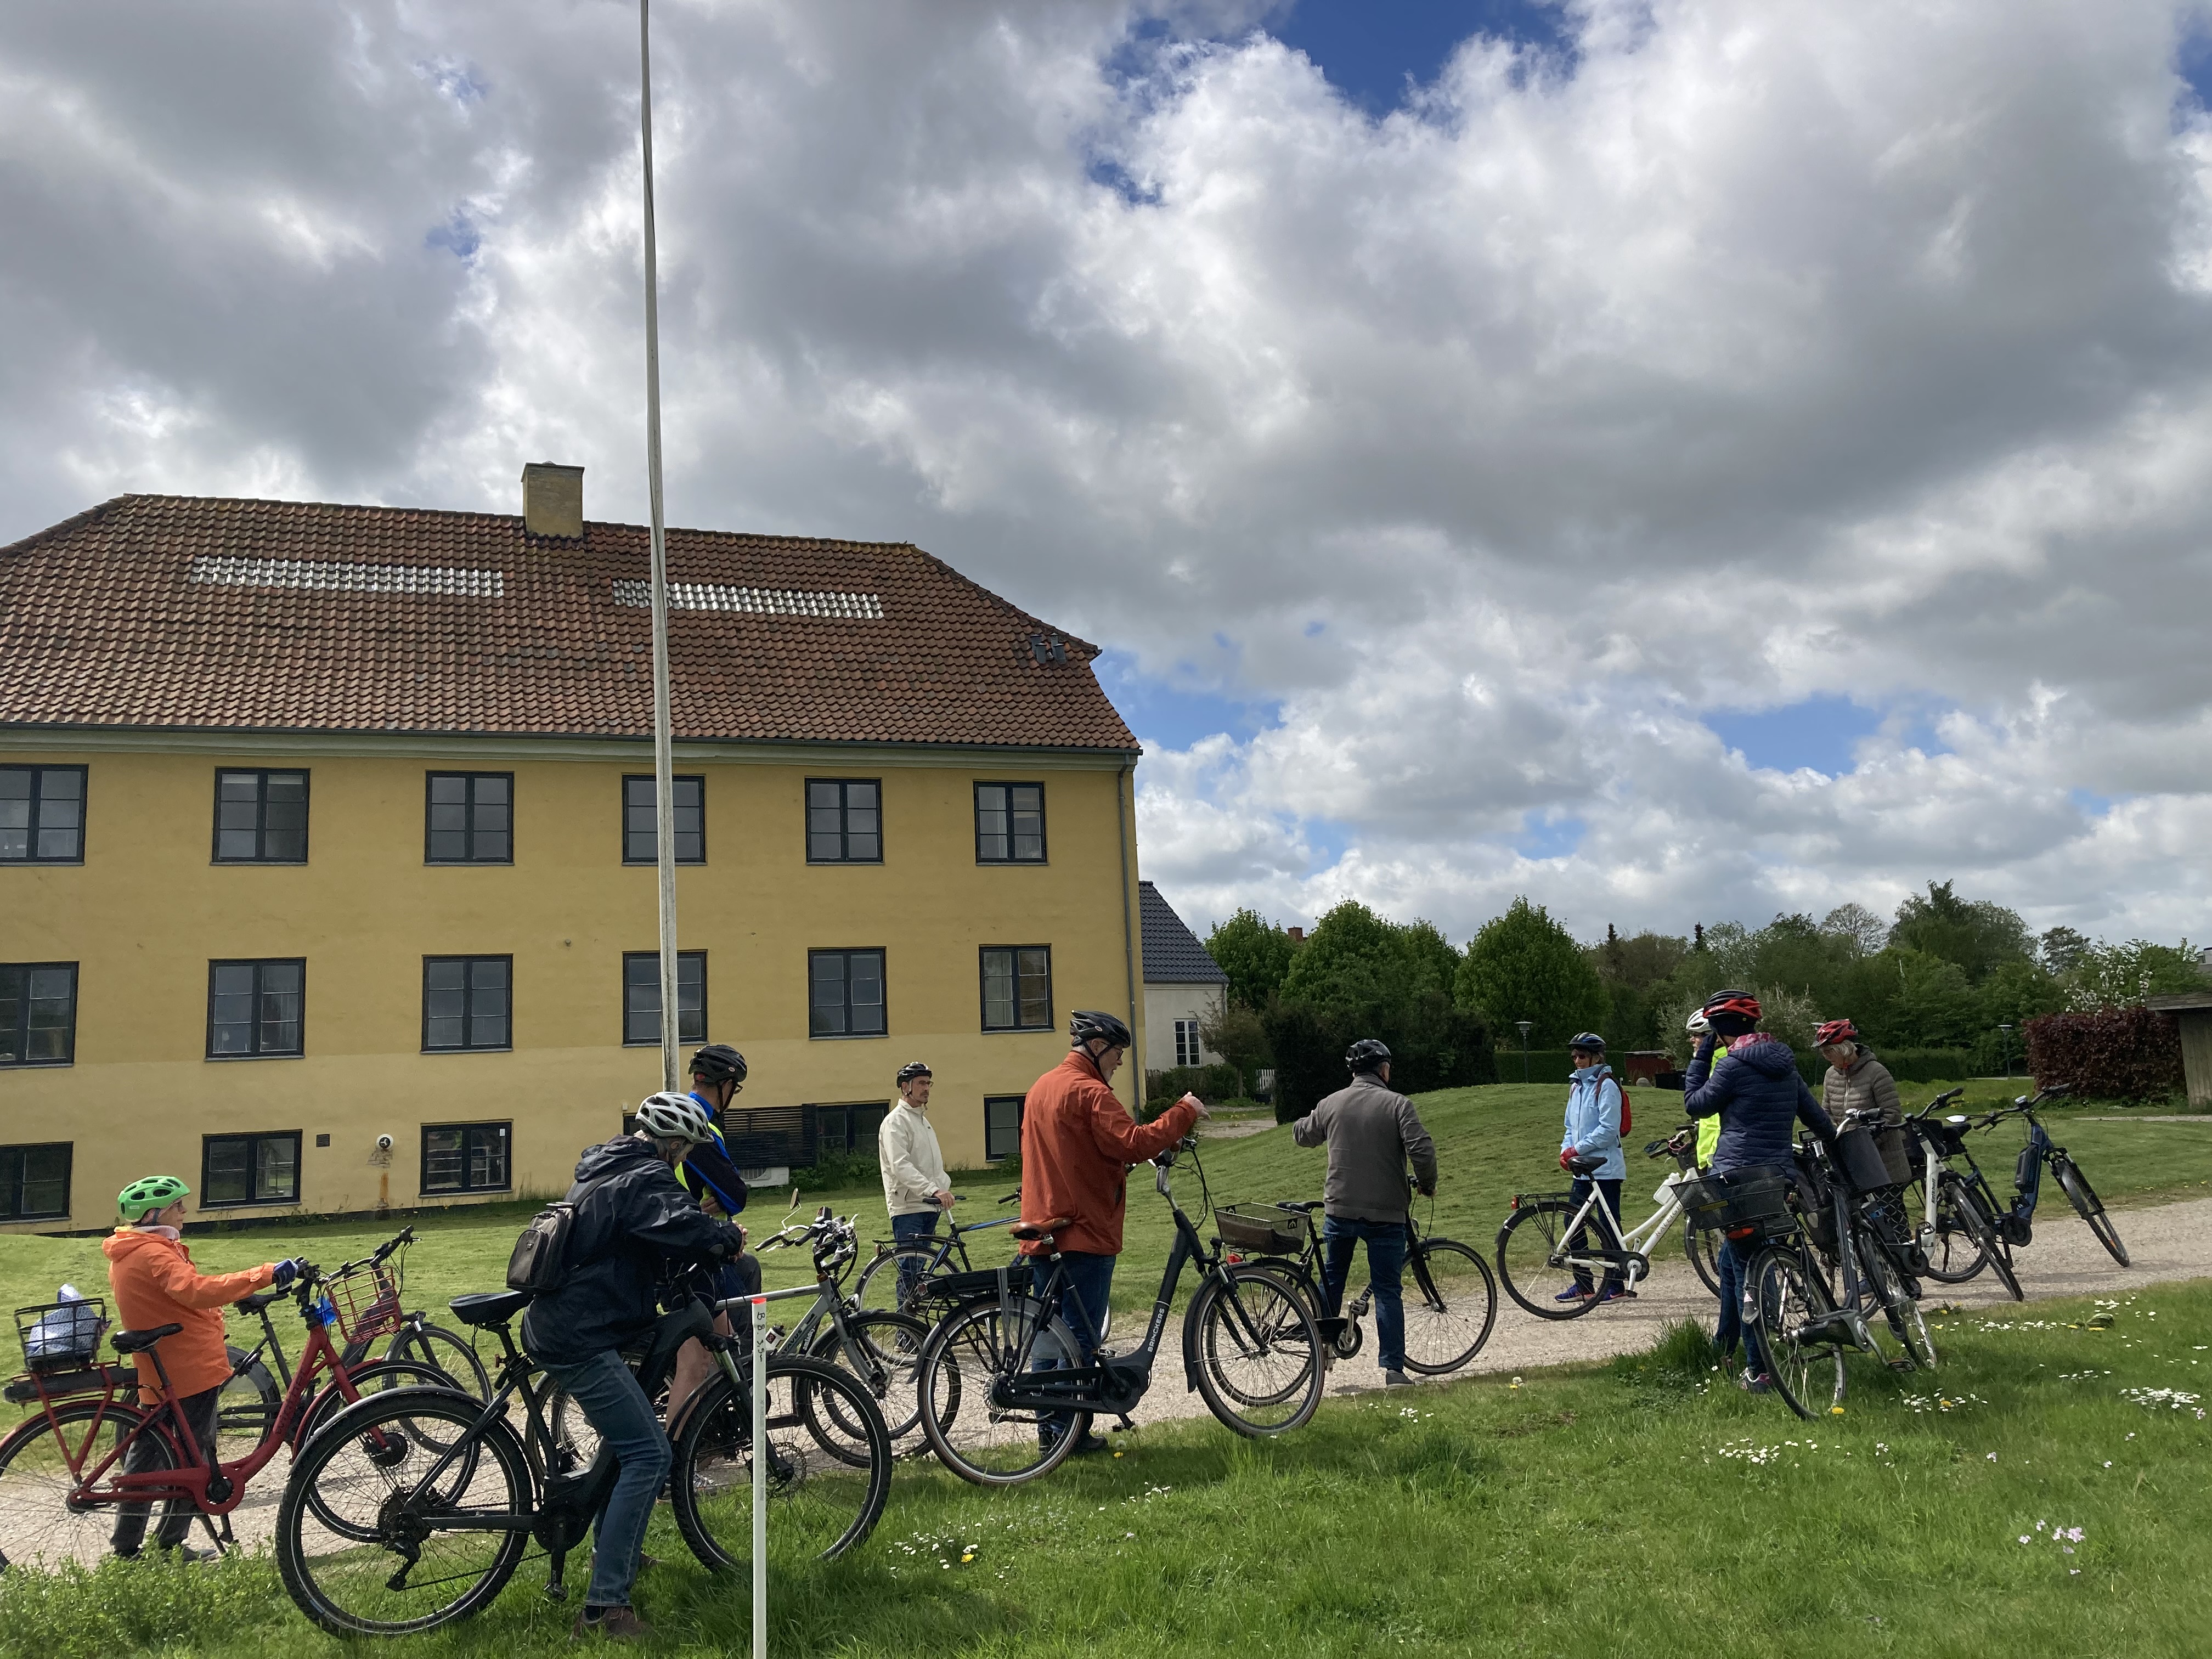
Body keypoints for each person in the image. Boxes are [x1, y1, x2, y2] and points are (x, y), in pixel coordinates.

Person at [521, 1093, 744, 1641]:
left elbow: (645, 1236)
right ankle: (604, 1611)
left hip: (576, 1323)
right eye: (686, 1150)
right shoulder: (646, 1178)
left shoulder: (608, 1167)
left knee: (626, 1446)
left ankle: (614, 1555)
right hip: (581, 1334)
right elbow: (685, 1226)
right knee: (650, 1453)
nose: (684, 1158)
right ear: (673, 1143)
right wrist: (727, 1238)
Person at [1018, 1011, 1205, 1454]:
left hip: (1044, 1228)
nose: (1120, 1062)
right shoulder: (1090, 1092)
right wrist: (1185, 1111)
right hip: (1083, 1230)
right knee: (1080, 1338)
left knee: (1049, 1336)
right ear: (1098, 1047)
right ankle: (1070, 1436)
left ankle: (1050, 1434)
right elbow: (1133, 1142)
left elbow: (1084, 1151)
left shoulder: (1042, 1087)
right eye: (1118, 1053)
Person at [102, 1175, 304, 1561]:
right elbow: (197, 1290)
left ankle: (126, 1547)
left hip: (163, 1367)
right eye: (177, 1205)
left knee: (148, 1455)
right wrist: (263, 1274)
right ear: (154, 1214)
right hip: (188, 1369)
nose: (184, 1211)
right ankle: (169, 1544)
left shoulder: (131, 1250)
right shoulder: (154, 1254)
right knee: (196, 1459)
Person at [1683, 991, 1838, 1394]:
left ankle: (1760, 1370)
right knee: (1732, 1262)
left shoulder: (1732, 1066)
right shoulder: (1785, 1065)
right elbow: (1818, 1120)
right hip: (1778, 1179)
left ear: (1719, 1032)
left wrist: (1700, 1056)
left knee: (1745, 1273)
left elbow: (1696, 1105)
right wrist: (1837, 1144)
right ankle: (1723, 1347)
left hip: (1737, 1179)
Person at [1291, 1038, 1438, 1388]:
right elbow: (1421, 1150)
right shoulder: (1398, 1105)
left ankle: (1319, 1347)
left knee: (1333, 1277)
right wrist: (1427, 1184)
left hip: (1340, 1208)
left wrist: (1305, 1118)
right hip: (1387, 1213)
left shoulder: (1332, 1103)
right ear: (1384, 1070)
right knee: (1388, 1289)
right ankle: (1394, 1370)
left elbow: (1303, 1135)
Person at [665, 1044, 763, 1435]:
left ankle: (720, 1421)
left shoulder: (681, 1114)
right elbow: (735, 1193)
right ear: (725, 1085)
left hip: (690, 1241)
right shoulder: (698, 1123)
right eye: (734, 1089)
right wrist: (724, 1208)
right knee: (701, 1359)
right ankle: (682, 1450)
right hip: (688, 1253)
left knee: (725, 1338)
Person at [1813, 1018, 1914, 1246]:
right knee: (1860, 1220)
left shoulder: (1876, 1072)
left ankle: (1906, 1262)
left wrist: (1866, 1142)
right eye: (1824, 1053)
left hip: (1883, 1161)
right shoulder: (1831, 1075)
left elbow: (1892, 1114)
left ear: (1845, 1049)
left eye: (1829, 1051)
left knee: (1891, 1221)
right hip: (1850, 1159)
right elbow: (1826, 1112)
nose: (1826, 1057)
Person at [1557, 1032, 1629, 1302]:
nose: (1577, 1061)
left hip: (1606, 1168)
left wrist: (1577, 1149)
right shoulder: (1576, 1087)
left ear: (1597, 1058)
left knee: (1608, 1224)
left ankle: (1617, 1284)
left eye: (1582, 1056)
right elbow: (1569, 1127)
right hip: (1583, 1168)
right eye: (1574, 1056)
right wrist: (1566, 1150)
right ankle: (1584, 1284)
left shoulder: (1606, 1085)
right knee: (1572, 1221)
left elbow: (1609, 1130)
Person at [879, 1060, 955, 1305]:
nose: (927, 1088)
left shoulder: (923, 1121)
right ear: (906, 1087)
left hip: (929, 1204)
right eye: (921, 1083)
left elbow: (931, 1165)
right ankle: (904, 1324)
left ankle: (915, 1321)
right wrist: (934, 1189)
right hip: (908, 1207)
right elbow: (900, 1166)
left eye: (929, 1083)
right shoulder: (895, 1122)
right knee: (910, 1270)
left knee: (921, 1270)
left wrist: (943, 1186)